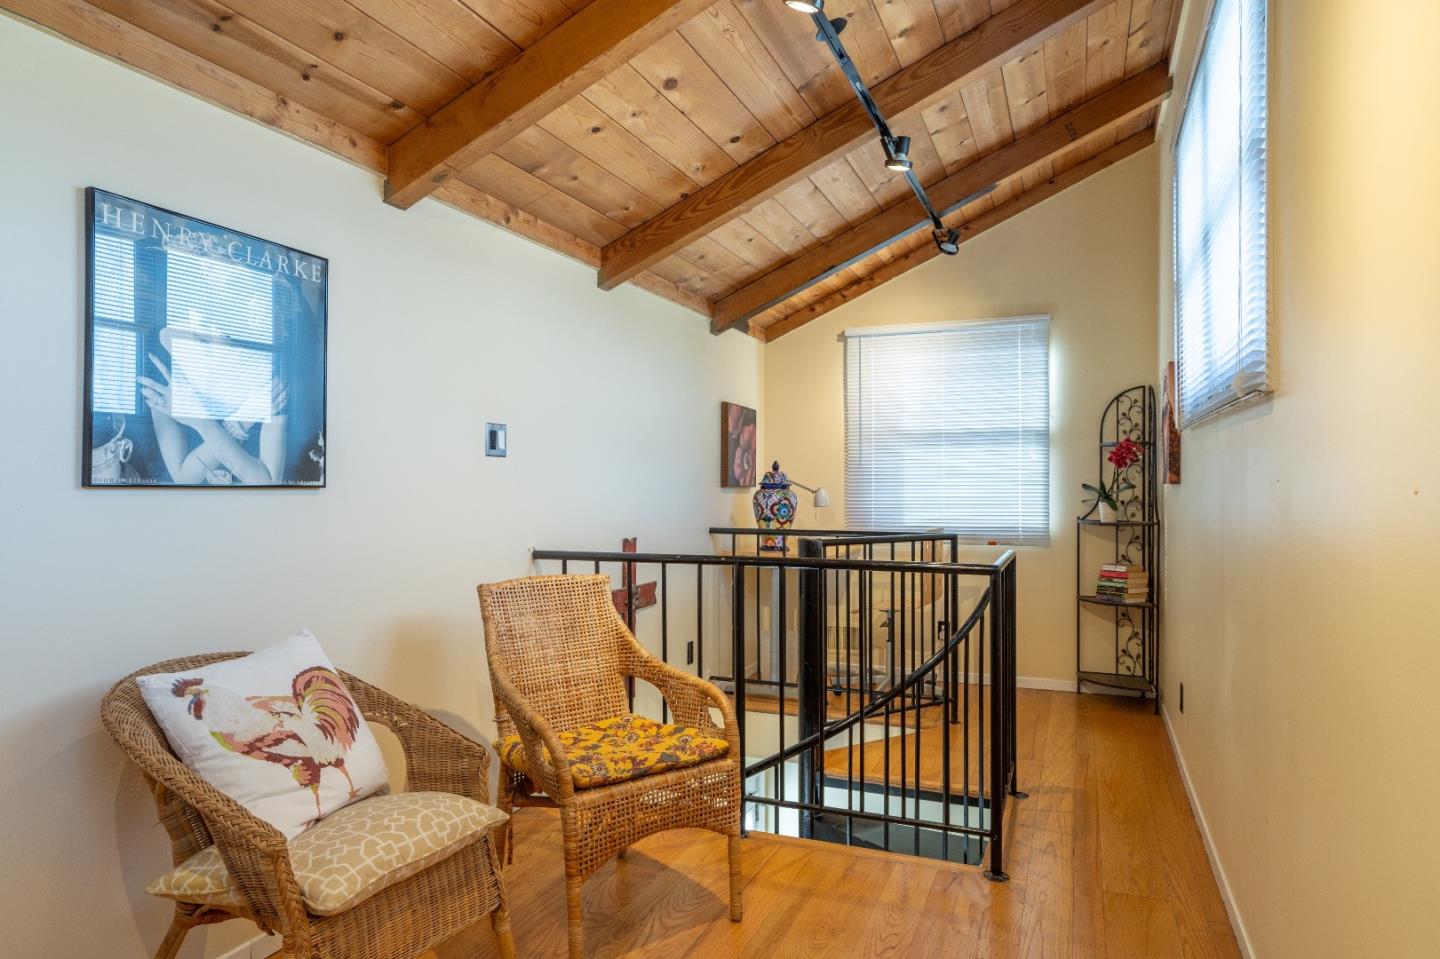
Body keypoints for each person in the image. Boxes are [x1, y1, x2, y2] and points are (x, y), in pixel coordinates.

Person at [137, 326, 288, 485]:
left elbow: (267, 482)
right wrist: (243, 419)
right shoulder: (167, 394)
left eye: (203, 338)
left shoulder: (267, 381)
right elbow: (184, 478)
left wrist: (203, 423)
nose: (198, 343)